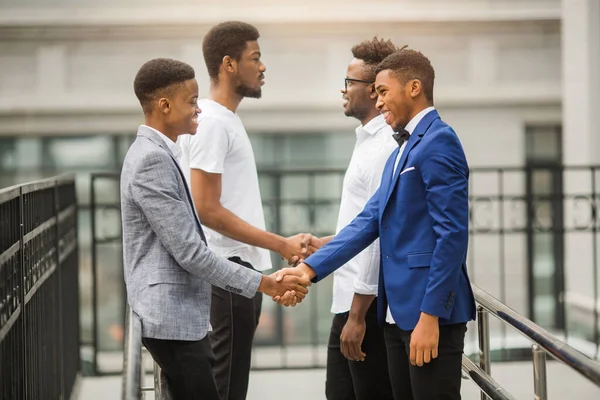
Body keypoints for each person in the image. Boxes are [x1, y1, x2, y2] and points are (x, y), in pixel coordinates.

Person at [277, 49, 476, 400]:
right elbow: (367, 222)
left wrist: (430, 315)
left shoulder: (439, 141)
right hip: (394, 315)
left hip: (428, 317)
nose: (378, 101)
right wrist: (308, 270)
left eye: (383, 92)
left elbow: (453, 235)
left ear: (414, 87)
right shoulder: (401, 149)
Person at [121, 58, 309, 400]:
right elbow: (191, 253)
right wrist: (265, 284)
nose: (198, 111)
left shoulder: (163, 153)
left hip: (180, 317)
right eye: (191, 102)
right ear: (164, 106)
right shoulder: (151, 159)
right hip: (170, 319)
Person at [177, 21, 312, 400]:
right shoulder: (213, 124)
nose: (263, 66)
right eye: (255, 58)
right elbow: (206, 208)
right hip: (227, 275)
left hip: (236, 275)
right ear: (228, 64)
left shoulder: (221, 120)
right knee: (226, 389)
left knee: (227, 386)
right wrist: (281, 243)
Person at [314, 37, 399, 400]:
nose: (343, 90)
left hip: (364, 307)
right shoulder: (366, 141)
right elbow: (361, 226)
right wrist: (326, 247)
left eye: (350, 83)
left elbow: (379, 234)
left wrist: (358, 316)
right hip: (347, 302)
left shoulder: (384, 148)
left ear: (375, 90)